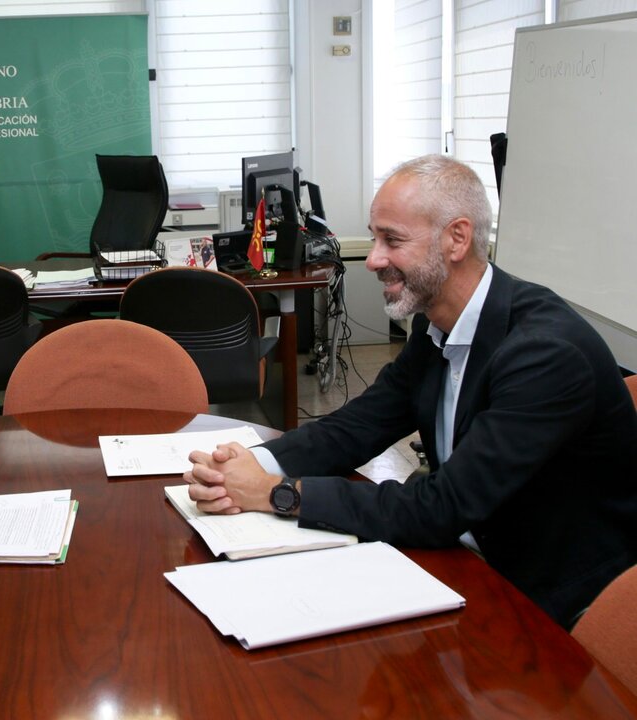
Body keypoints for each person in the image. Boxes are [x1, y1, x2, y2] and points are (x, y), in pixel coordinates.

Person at [185, 155, 637, 627]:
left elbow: (444, 506)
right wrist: (248, 465)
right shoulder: (436, 325)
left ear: (456, 239)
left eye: (392, 240)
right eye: (374, 238)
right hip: (467, 561)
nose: (373, 259)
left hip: (554, 606)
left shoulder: (545, 355)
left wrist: (277, 494)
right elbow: (358, 426)